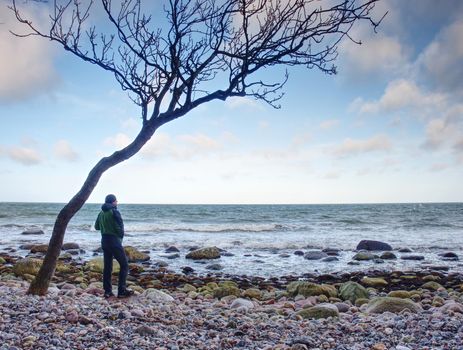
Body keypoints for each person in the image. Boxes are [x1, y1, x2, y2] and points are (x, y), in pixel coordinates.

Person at [94, 194, 133, 299]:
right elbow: (119, 227)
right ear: (112, 202)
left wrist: (105, 226)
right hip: (114, 241)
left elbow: (96, 227)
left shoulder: (101, 213)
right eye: (116, 201)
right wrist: (120, 236)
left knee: (107, 267)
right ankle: (121, 291)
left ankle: (107, 291)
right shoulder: (114, 211)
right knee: (124, 265)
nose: (117, 203)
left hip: (104, 241)